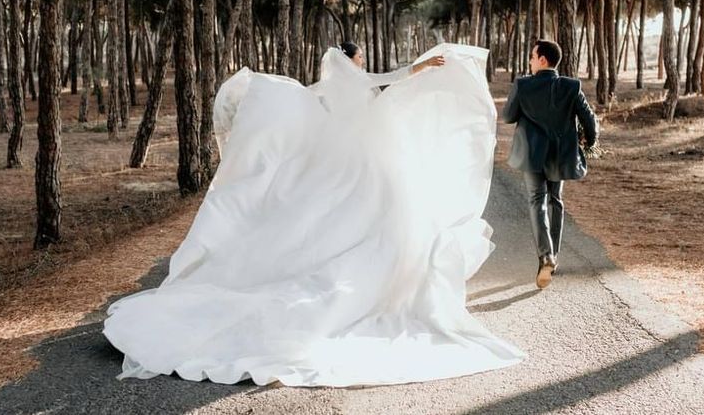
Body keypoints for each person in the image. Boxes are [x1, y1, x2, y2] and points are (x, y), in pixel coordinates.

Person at [103, 42, 525, 387]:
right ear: (351, 58)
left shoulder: (326, 85)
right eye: (357, 59)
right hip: (364, 157)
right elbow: (382, 80)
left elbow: (310, 98)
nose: (359, 64)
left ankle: (370, 259)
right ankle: (377, 269)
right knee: (373, 209)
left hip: (353, 156)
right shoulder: (350, 77)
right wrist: (418, 69)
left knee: (348, 212)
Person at [501, 40, 598, 289]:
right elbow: (590, 121)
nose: (530, 61)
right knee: (555, 200)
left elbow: (508, 116)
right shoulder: (572, 86)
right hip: (561, 154)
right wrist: (589, 141)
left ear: (543, 59)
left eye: (532, 56)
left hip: (532, 156)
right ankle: (552, 258)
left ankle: (546, 256)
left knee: (537, 201)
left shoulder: (523, 85)